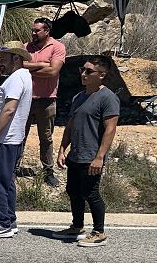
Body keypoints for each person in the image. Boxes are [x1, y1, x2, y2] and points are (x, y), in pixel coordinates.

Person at [55, 55, 121, 247]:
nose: (83, 74)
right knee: (73, 191)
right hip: (76, 154)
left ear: (101, 75)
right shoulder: (79, 97)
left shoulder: (108, 98)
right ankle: (77, 226)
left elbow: (110, 129)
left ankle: (99, 232)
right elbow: (70, 125)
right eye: (82, 70)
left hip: (92, 155)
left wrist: (99, 157)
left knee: (91, 193)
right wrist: (61, 150)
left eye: (88, 71)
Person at [0, 41, 34, 239]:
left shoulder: (16, 79)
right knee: (6, 181)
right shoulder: (18, 77)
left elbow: (9, 109)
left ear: (16, 58)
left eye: (4, 57)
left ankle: (3, 223)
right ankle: (9, 220)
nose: (0, 60)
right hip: (12, 139)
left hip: (4, 140)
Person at [21, 18, 66, 187]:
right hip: (25, 98)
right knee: (19, 135)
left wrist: (29, 68)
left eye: (37, 30)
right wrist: (41, 64)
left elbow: (53, 71)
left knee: (46, 137)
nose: (33, 33)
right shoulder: (26, 47)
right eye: (33, 30)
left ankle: (48, 171)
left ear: (47, 31)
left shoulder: (58, 47)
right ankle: (14, 166)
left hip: (47, 99)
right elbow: (18, 66)